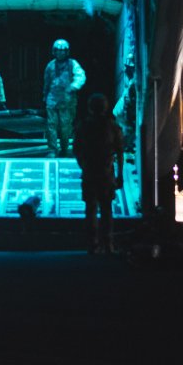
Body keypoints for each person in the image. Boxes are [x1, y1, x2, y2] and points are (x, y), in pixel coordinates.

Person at [74, 93, 124, 254]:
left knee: (90, 209)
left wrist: (83, 166)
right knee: (106, 208)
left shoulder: (83, 126)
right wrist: (120, 174)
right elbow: (120, 151)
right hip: (106, 173)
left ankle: (92, 243)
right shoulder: (112, 126)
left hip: (89, 171)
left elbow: (77, 149)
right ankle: (108, 243)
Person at [43, 38, 85, 156]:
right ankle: (52, 149)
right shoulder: (50, 66)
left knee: (65, 126)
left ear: (67, 52)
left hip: (67, 101)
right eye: (58, 50)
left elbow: (80, 76)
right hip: (52, 100)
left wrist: (74, 86)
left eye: (63, 51)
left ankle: (64, 148)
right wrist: (45, 96)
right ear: (54, 51)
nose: (60, 53)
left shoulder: (73, 64)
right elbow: (46, 82)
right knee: (51, 125)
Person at [112, 53, 137, 153]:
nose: (126, 70)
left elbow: (130, 103)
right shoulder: (131, 82)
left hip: (124, 116)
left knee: (126, 134)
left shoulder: (133, 83)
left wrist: (129, 116)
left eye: (128, 68)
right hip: (121, 114)